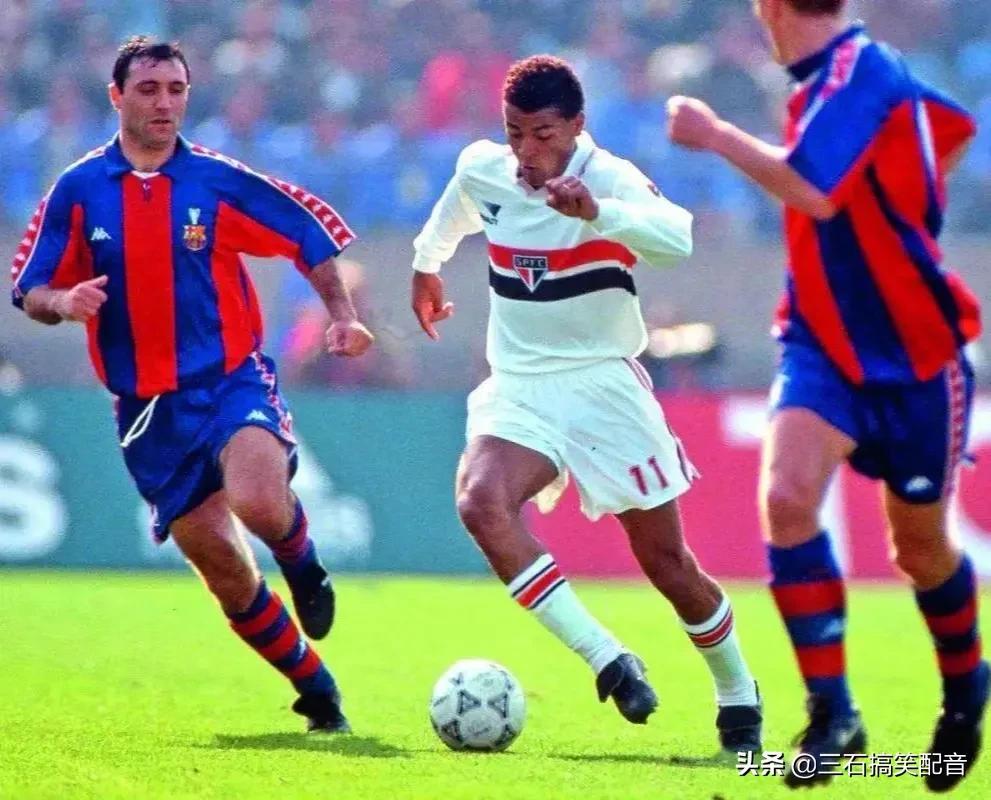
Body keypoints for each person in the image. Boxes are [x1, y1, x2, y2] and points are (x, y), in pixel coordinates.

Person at [10, 36, 374, 733]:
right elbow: (29, 286)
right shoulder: (79, 190)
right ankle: (315, 687)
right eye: (148, 89)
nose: (164, 103)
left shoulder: (214, 180)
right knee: (224, 569)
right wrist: (64, 301)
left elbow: (307, 231)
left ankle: (303, 562)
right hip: (148, 411)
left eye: (176, 89)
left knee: (258, 499)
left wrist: (343, 315)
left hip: (230, 379)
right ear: (117, 97)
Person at [667, 0, 985, 790]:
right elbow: (951, 131)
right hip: (819, 342)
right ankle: (832, 711)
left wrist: (715, 135)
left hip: (915, 357)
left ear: (771, 8)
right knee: (785, 497)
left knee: (918, 550)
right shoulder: (836, 79)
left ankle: (964, 684)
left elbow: (814, 189)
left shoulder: (859, 72)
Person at [410, 54, 762, 757]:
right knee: (480, 503)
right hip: (519, 383)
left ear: (576, 125)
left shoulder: (611, 179)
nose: (526, 151)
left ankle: (737, 693)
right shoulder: (486, 168)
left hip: (603, 388)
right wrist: (426, 265)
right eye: (515, 133)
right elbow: (455, 209)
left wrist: (598, 214)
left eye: (542, 134)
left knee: (668, 565)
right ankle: (608, 659)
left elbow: (677, 241)